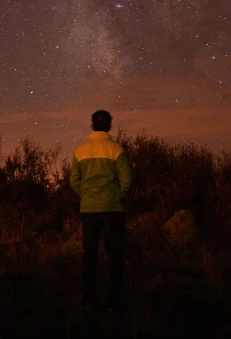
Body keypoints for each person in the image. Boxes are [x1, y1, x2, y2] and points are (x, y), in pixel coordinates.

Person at [69, 109, 132, 312]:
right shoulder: (116, 149)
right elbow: (127, 180)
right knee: (115, 255)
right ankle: (113, 302)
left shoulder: (80, 151)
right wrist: (115, 197)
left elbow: (74, 180)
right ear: (110, 127)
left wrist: (86, 196)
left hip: (88, 209)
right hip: (111, 209)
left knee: (90, 255)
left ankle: (88, 300)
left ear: (92, 126)